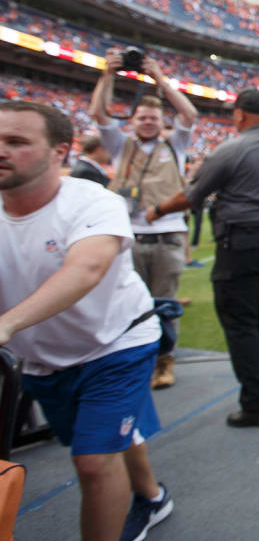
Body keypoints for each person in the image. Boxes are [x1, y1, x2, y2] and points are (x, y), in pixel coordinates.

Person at [0, 101, 173, 541]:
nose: (2, 150)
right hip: (45, 359)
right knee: (106, 438)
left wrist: (7, 324)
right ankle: (153, 495)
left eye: (16, 141)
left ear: (60, 152)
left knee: (93, 460)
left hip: (116, 342)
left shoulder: (91, 201)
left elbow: (87, 268)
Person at [147, 89, 259, 428]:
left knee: (242, 323)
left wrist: (158, 209)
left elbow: (194, 195)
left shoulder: (231, 148)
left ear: (239, 115)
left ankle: (257, 403)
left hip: (243, 244)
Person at [90, 51, 199, 390]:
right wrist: (107, 74)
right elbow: (98, 113)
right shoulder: (122, 146)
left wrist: (159, 79)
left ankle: (165, 360)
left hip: (167, 235)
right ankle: (137, 359)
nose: (148, 122)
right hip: (130, 235)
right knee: (129, 302)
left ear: (161, 121)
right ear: (133, 121)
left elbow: (189, 113)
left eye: (154, 117)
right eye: (142, 118)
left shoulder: (176, 144)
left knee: (164, 302)